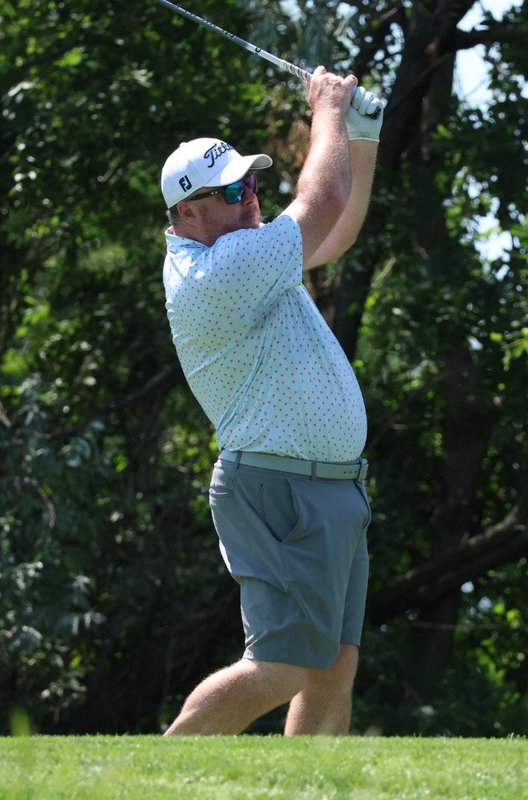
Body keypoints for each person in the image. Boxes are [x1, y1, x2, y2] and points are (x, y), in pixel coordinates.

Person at [158, 67, 384, 736]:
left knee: (333, 669)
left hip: (332, 487)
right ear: (187, 214)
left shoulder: (245, 251)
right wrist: (330, 109)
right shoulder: (220, 272)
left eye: (252, 182)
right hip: (277, 486)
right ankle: (151, 774)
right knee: (284, 666)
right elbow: (323, 195)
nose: (250, 196)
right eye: (232, 191)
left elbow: (336, 229)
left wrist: (361, 132)